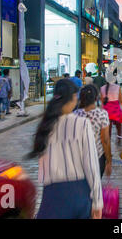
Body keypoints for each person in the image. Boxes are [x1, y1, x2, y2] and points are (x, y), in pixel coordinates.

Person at [27, 79, 103, 219]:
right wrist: (98, 201)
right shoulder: (82, 124)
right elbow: (91, 165)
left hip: (51, 195)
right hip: (77, 193)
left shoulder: (45, 125)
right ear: (74, 98)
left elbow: (42, 168)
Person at [75, 84, 111, 177]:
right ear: (96, 98)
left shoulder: (74, 114)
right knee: (95, 185)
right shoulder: (102, 114)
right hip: (97, 157)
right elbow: (105, 140)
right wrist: (109, 160)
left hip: (78, 158)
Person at [101, 79, 122, 144]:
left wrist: (102, 112)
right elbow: (121, 101)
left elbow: (102, 102)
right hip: (116, 110)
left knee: (108, 129)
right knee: (119, 127)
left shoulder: (102, 88)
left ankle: (108, 142)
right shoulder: (117, 87)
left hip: (107, 111)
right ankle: (119, 139)